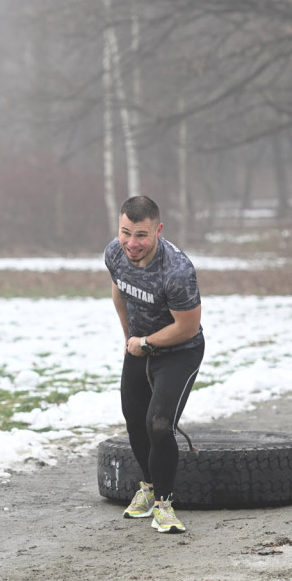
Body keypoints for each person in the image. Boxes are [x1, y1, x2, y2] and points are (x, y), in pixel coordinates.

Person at [104, 195, 204, 534]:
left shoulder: (177, 272)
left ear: (158, 230)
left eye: (141, 235)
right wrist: (129, 337)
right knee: (134, 419)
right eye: (125, 232)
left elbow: (186, 327)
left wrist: (146, 342)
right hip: (139, 346)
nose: (132, 243)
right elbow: (119, 292)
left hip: (180, 351)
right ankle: (147, 489)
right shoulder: (114, 254)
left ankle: (165, 504)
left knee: (159, 425)